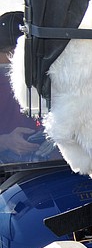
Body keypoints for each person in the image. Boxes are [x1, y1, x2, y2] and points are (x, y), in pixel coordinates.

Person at [0, 11, 40, 161]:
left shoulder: (46, 78)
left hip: (49, 167)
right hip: (7, 173)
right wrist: (6, 141)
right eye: (8, 52)